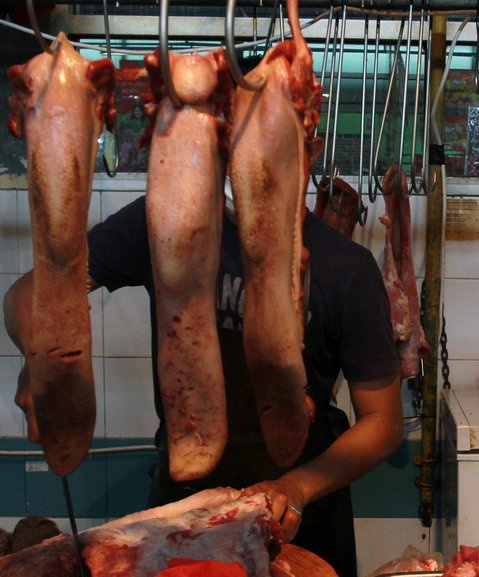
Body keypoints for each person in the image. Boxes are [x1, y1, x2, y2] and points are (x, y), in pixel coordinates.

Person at [3, 187, 404, 577]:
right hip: (181, 511)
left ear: (310, 146)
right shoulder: (162, 224)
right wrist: (40, 361)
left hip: (299, 518)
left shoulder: (346, 266)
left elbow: (382, 423)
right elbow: (35, 291)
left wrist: (296, 488)